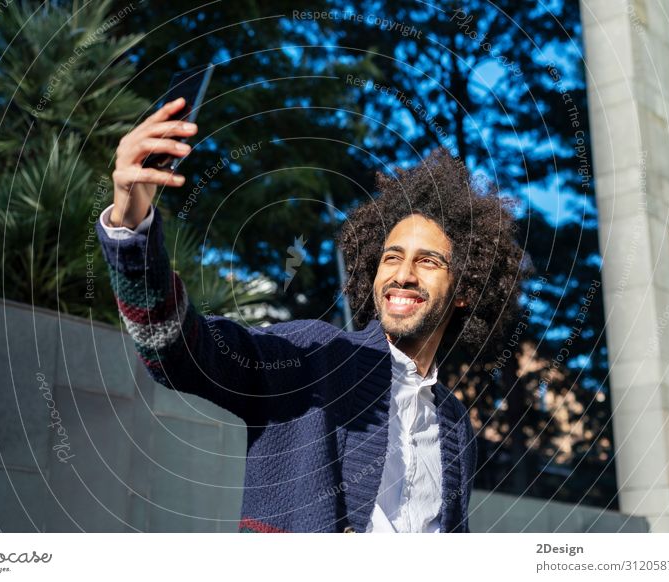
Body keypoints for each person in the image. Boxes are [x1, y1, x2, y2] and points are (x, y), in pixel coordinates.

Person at [95, 97, 526, 533]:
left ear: (465, 291)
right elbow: (182, 354)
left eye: (428, 261)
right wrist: (131, 228)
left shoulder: (455, 426)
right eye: (391, 258)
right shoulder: (314, 355)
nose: (403, 275)